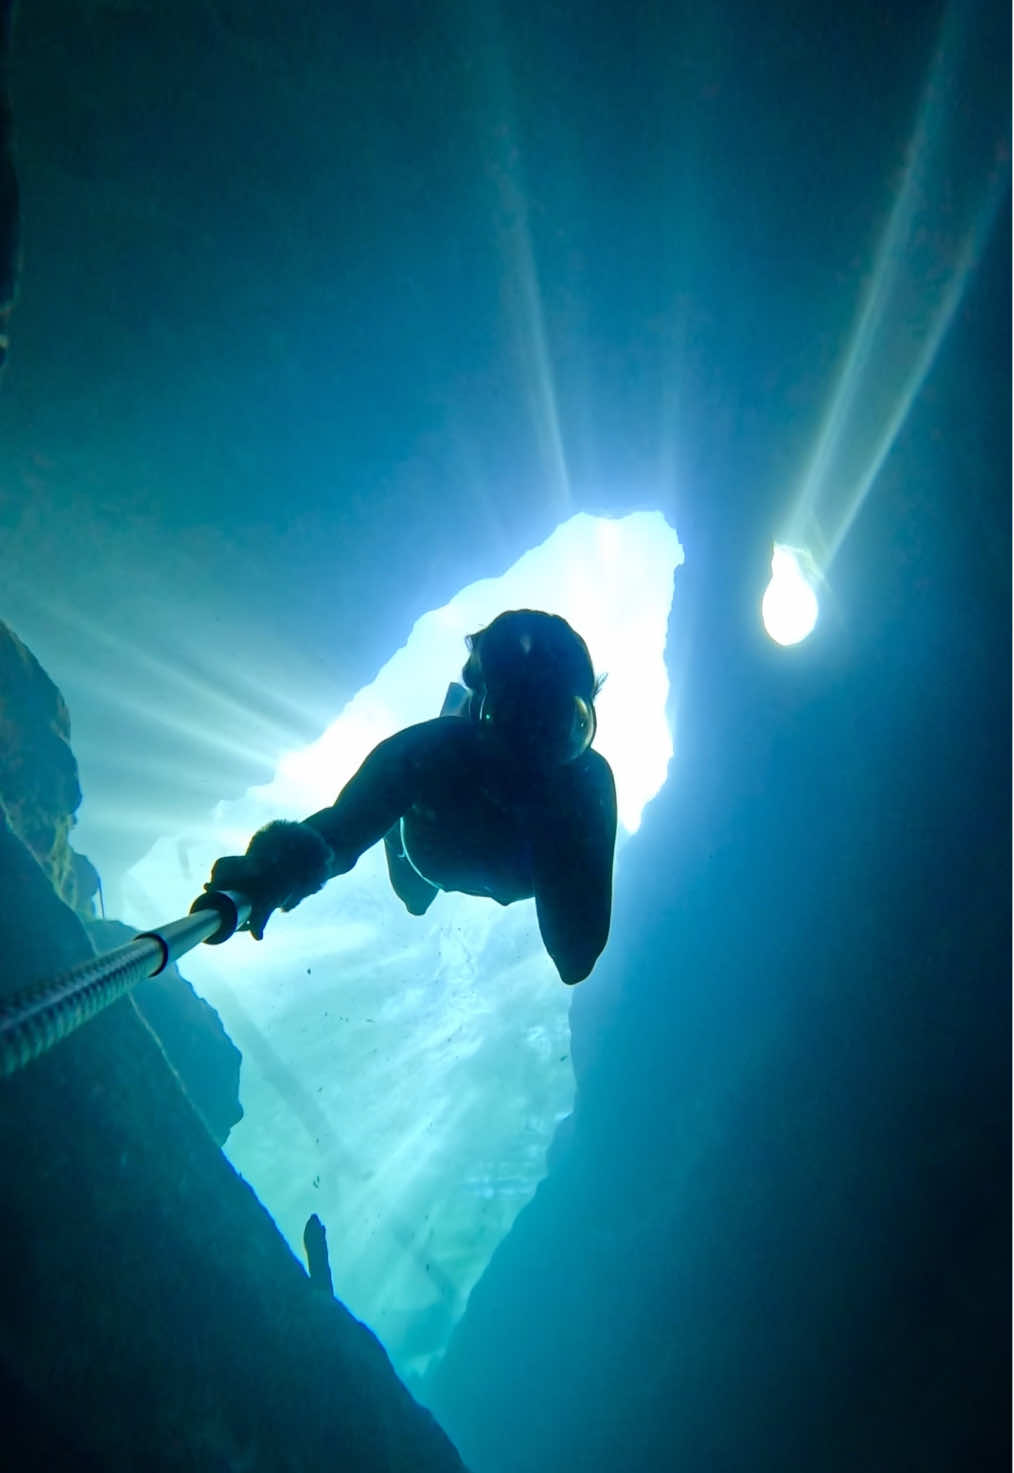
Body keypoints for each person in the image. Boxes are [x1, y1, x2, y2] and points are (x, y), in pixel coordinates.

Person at [205, 609, 617, 985]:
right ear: (482, 711)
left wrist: (561, 832)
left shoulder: (584, 785)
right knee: (415, 901)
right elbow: (339, 832)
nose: (530, 748)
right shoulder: (429, 751)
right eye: (514, 718)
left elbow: (576, 958)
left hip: (444, 853)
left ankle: (400, 817)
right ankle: (396, 825)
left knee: (415, 896)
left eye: (555, 723)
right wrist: (271, 873)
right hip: (429, 857)